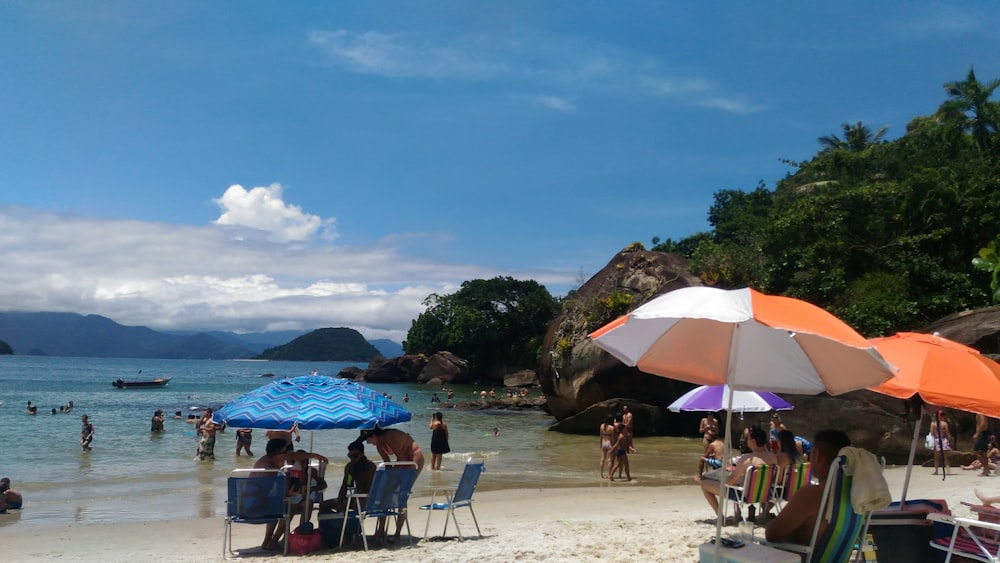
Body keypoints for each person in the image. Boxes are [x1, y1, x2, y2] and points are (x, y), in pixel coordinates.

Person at [765, 429, 852, 546]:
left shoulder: (813, 494)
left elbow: (772, 534)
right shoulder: (856, 494)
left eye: (812, 454)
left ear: (819, 455)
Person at [360, 426, 425, 542]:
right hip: (404, 460)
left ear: (374, 435)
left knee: (402, 493)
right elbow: (388, 464)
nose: (367, 442)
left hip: (414, 456)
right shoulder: (379, 446)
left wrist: (393, 477)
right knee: (385, 493)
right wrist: (387, 479)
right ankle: (381, 529)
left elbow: (401, 457)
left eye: (367, 439)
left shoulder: (389, 436)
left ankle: (397, 534)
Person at [701, 426, 777, 521]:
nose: (746, 441)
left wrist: (719, 477)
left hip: (745, 496)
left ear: (753, 441)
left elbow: (730, 482)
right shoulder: (773, 457)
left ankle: (720, 517)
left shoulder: (747, 459)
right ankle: (737, 515)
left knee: (705, 484)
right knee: (741, 480)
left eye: (748, 439)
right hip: (764, 494)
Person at [320, 440, 377, 514]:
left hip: (369, 498)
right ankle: (338, 523)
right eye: (350, 456)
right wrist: (340, 501)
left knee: (356, 505)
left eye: (355, 456)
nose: (352, 458)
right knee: (324, 505)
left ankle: (353, 524)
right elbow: (345, 485)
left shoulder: (370, 467)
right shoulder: (350, 467)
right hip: (355, 497)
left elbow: (375, 488)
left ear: (362, 454)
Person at [928, 408, 953, 475]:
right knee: (945, 457)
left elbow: (932, 433)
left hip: (937, 440)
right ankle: (948, 471)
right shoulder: (945, 424)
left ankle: (936, 471)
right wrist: (950, 441)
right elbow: (947, 434)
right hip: (944, 440)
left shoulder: (933, 424)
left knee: (936, 457)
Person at [608, 416, 632, 481]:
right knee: (626, 465)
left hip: (621, 451)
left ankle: (611, 475)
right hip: (620, 451)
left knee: (618, 464)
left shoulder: (623, 435)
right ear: (623, 429)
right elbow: (616, 444)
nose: (626, 429)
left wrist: (630, 448)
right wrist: (611, 450)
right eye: (625, 429)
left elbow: (625, 444)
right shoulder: (621, 436)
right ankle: (628, 477)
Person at [599, 414, 616, 478]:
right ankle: (609, 474)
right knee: (609, 460)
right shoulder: (611, 428)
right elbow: (613, 438)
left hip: (604, 442)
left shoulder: (602, 426)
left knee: (602, 459)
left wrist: (600, 444)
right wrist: (614, 445)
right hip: (609, 443)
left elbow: (600, 436)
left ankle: (601, 474)